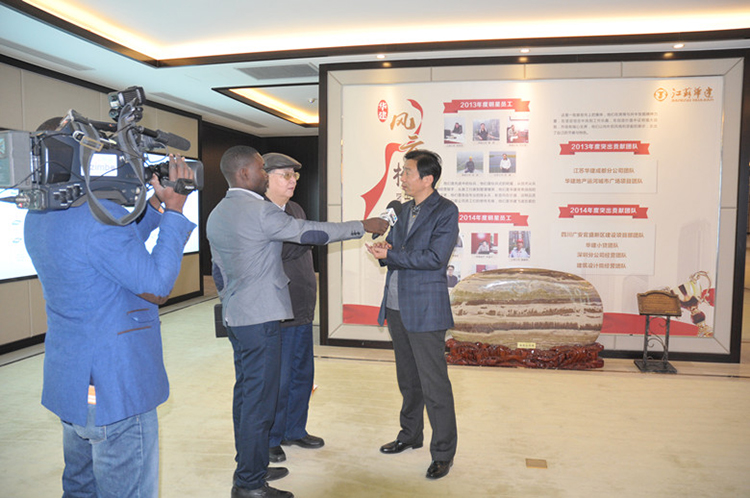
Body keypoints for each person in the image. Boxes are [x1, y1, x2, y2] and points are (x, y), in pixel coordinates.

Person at [207, 145, 388, 498]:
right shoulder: (259, 210)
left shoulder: (219, 211)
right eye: (262, 169)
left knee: (246, 397)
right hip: (260, 318)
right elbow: (310, 233)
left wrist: (230, 300)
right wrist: (362, 226)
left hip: (237, 317)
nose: (265, 174)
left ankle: (251, 466)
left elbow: (218, 271)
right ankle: (249, 484)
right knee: (259, 402)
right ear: (244, 174)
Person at [24, 146, 196, 497]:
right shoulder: (99, 218)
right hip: (114, 386)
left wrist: (155, 205)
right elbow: (156, 285)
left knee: (80, 487)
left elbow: (113, 248)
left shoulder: (40, 213)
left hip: (72, 383)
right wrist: (175, 211)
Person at [366, 149, 459, 480]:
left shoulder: (445, 211)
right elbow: (399, 250)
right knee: (408, 380)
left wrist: (393, 256)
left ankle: (443, 453)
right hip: (396, 304)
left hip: (425, 309)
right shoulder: (402, 210)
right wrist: (384, 250)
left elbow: (435, 258)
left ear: (427, 179)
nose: (402, 178)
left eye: (407, 172)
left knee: (434, 385)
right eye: (402, 172)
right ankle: (410, 435)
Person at [262, 153, 324, 465]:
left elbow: (295, 245)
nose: (292, 181)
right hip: (278, 310)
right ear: (265, 178)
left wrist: (302, 239)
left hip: (302, 305)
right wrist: (304, 239)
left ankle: (294, 429)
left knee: (302, 373)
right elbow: (276, 251)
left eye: (294, 176)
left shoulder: (295, 209)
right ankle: (272, 438)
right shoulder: (259, 212)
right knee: (280, 378)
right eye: (285, 175)